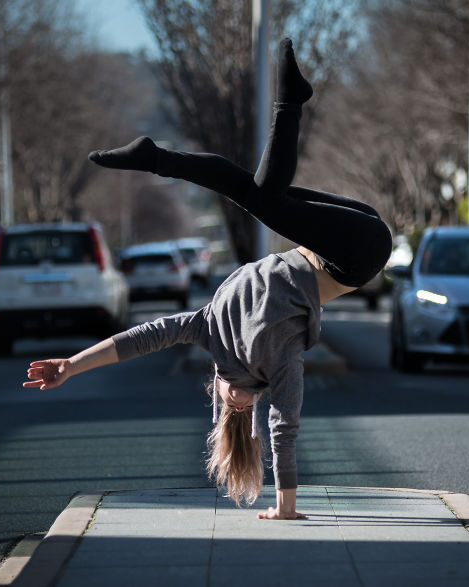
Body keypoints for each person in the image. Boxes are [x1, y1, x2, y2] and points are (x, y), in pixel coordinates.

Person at [22, 38, 392, 520]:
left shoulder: (210, 329)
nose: (235, 402)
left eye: (226, 407)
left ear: (217, 395)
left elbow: (142, 337)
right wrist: (286, 507)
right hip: (354, 255)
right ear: (251, 401)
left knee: (252, 189)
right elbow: (284, 426)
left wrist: (72, 365)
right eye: (243, 406)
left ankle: (157, 158)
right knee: (263, 199)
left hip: (344, 234)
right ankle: (287, 101)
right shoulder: (273, 358)